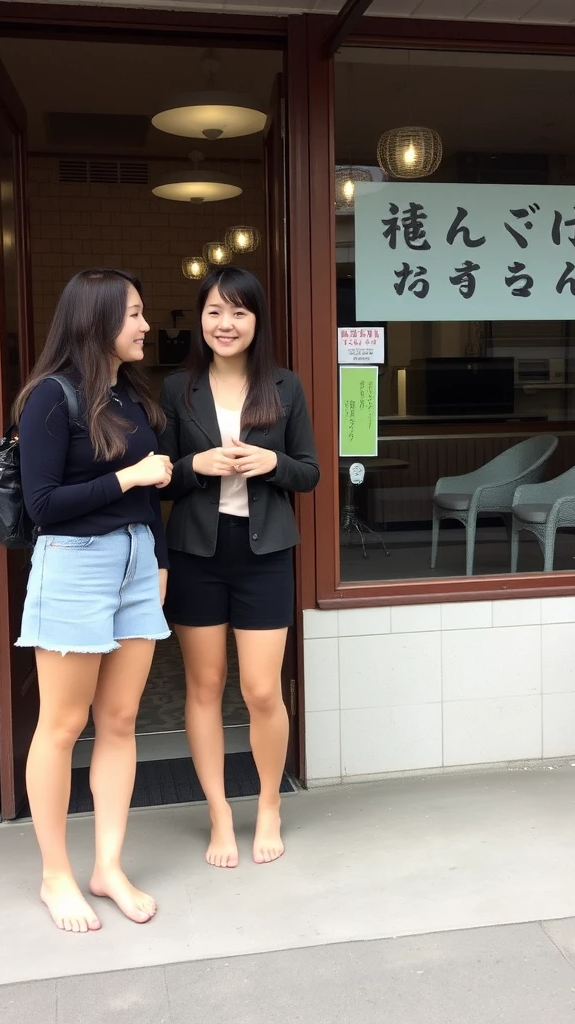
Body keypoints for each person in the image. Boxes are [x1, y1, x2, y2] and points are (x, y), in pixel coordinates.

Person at [13, 268, 173, 933]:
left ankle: (107, 864)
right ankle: (56, 876)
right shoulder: (50, 399)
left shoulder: (131, 396)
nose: (144, 325)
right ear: (97, 320)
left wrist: (158, 563)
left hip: (138, 564)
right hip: (75, 566)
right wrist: (129, 474)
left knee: (120, 718)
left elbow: (148, 496)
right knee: (62, 724)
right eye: (133, 314)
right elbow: (43, 505)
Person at [159, 266, 319, 868]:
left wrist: (268, 462)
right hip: (197, 552)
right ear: (201, 319)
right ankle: (219, 813)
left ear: (257, 321)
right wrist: (195, 464)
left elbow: (310, 471)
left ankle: (270, 803)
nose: (226, 324)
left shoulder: (285, 385)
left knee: (260, 690)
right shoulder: (177, 389)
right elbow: (162, 473)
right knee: (204, 686)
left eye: (239, 312)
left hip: (264, 553)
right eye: (215, 312)